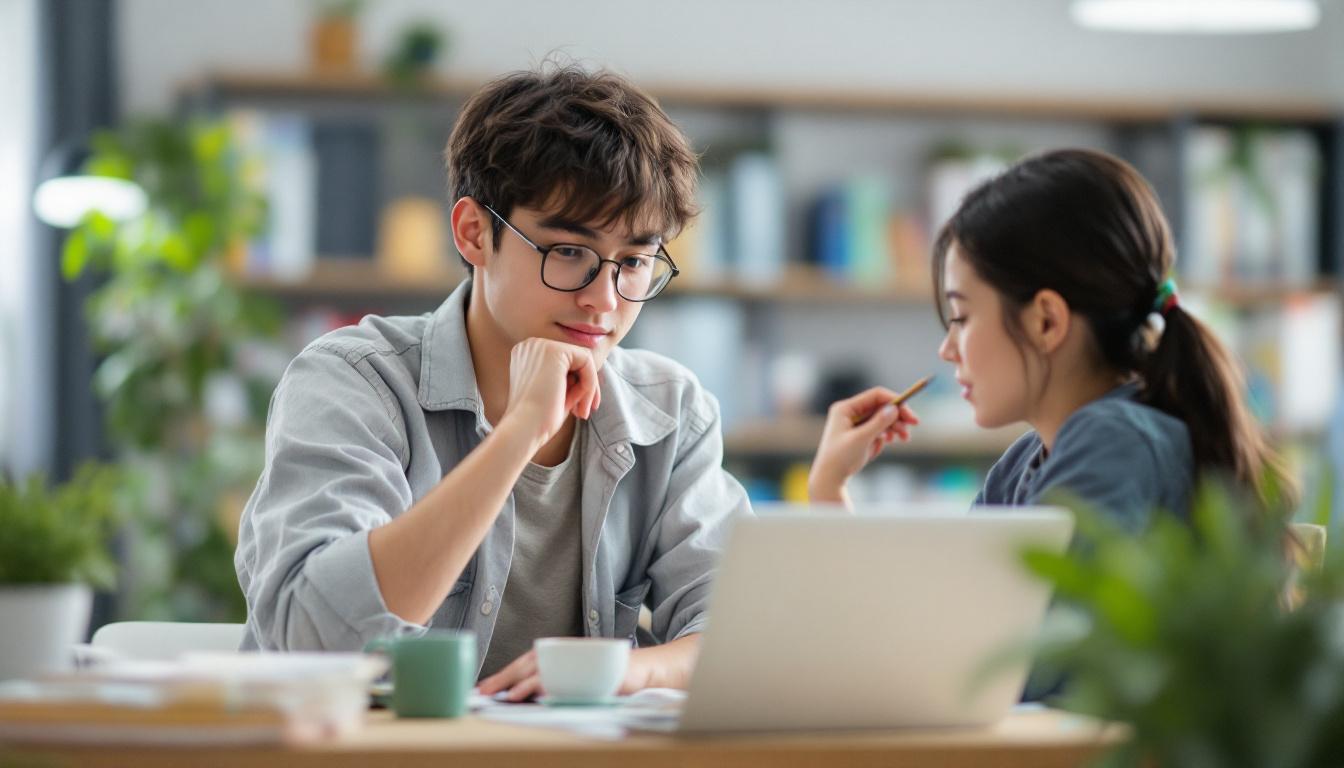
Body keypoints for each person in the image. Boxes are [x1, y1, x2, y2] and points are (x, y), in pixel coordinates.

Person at [234, 64, 751, 702]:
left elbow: (740, 636)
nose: (602, 299)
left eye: (635, 262)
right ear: (475, 233)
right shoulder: (354, 380)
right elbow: (316, 638)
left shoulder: (672, 411)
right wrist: (517, 434)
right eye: (568, 251)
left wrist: (630, 671)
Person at [808, 148, 1294, 528]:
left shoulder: (1111, 441)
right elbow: (955, 630)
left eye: (961, 317)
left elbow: (995, 646)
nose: (947, 349)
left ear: (1046, 321)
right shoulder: (1023, 463)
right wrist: (830, 487)